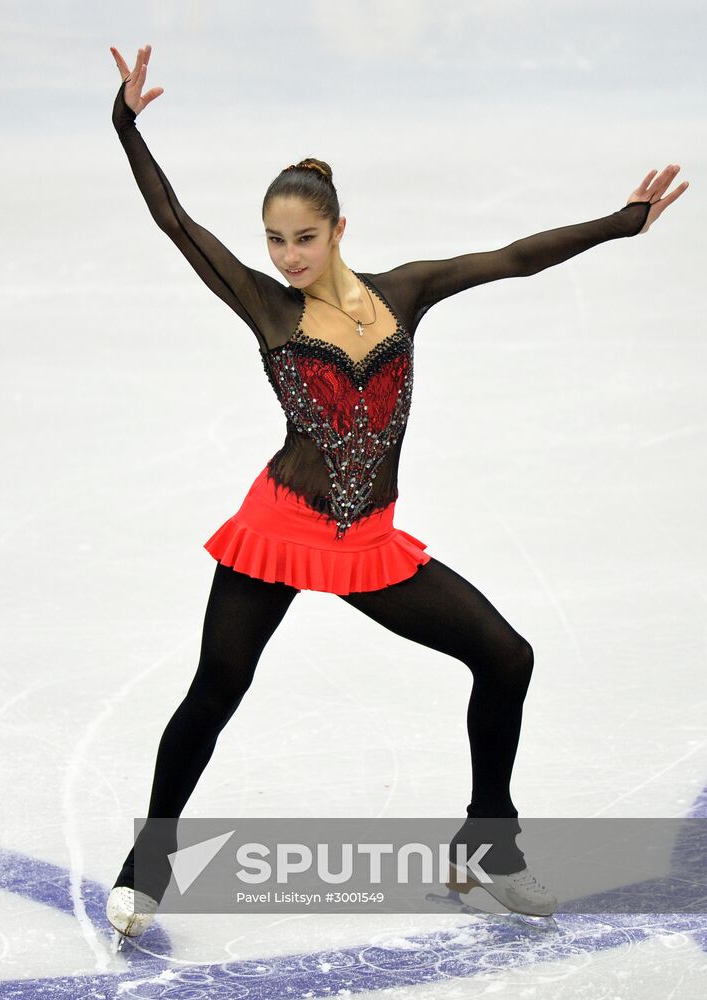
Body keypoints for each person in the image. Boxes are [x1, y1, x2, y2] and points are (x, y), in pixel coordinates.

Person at [105, 43, 688, 942]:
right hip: (280, 527)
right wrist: (125, 124)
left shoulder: (402, 294)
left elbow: (514, 256)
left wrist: (618, 222)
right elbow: (176, 222)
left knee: (506, 657)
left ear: (338, 229)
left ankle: (488, 844)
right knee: (217, 684)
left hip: (368, 543)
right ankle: (149, 861)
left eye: (303, 237)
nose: (287, 255)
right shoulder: (267, 308)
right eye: (274, 240)